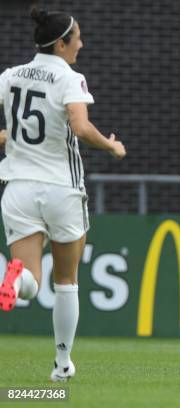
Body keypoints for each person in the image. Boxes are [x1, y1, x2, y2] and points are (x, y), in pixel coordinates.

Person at [0, 7, 126, 382]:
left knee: (28, 284)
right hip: (61, 189)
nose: (82, 44)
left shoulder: (10, 76)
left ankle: (6, 276)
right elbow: (80, 126)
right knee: (66, 280)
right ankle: (61, 365)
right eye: (78, 38)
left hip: (18, 187)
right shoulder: (70, 78)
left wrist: (9, 137)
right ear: (61, 43)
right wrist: (110, 147)